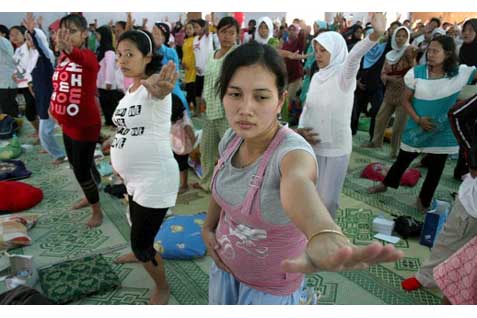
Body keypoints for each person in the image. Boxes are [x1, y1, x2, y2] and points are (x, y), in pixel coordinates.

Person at [202, 40, 403, 305]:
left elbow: (298, 184)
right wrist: (208, 228)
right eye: (235, 94)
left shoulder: (292, 153)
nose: (245, 109)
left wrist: (322, 231)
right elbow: (224, 182)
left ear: (280, 100)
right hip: (225, 270)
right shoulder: (231, 138)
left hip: (269, 289)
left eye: (261, 97)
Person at [368, 35, 477, 212]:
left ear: (448, 54)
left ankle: (424, 200)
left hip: (442, 131)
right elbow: (405, 100)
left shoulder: (460, 73)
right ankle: (387, 183)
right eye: (429, 50)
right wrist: (418, 119)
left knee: (436, 168)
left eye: (436, 51)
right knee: (403, 159)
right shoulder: (416, 73)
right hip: (417, 127)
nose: (430, 54)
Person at [110, 29, 180, 305]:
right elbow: (128, 125)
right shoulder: (130, 91)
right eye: (119, 54)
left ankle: (161, 286)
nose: (123, 60)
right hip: (133, 178)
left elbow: (159, 89)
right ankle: (140, 250)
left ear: (147, 57)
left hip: (155, 179)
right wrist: (112, 142)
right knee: (135, 222)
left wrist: (159, 86)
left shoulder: (154, 87)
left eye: (130, 54)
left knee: (141, 242)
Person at [298, 13, 388, 219]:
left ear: (336, 51)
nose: (318, 55)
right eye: (316, 50)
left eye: (324, 51)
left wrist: (376, 34)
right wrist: (301, 130)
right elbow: (308, 107)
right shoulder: (318, 76)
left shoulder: (343, 76)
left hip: (336, 147)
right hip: (312, 144)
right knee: (310, 195)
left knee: (328, 200)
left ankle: (326, 234)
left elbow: (355, 56)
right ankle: (309, 232)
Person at [401, 81, 477, 293]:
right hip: (473, 202)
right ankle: (426, 276)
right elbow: (458, 114)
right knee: (451, 237)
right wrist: (473, 156)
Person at [50, 14, 103, 227]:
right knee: (79, 165)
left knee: (81, 171)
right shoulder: (62, 58)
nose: (67, 36)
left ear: (84, 34)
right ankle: (92, 190)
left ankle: (97, 211)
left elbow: (79, 58)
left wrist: (69, 49)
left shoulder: (88, 57)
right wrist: (53, 106)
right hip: (67, 124)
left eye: (72, 31)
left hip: (84, 125)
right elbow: (60, 84)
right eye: (64, 31)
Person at [195, 17, 239, 192]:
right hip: (211, 110)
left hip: (227, 112)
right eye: (223, 32)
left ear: (237, 34)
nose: (227, 36)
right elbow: (208, 81)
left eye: (231, 32)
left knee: (231, 152)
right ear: (218, 33)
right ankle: (206, 183)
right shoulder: (213, 54)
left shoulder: (237, 55)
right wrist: (204, 101)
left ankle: (232, 187)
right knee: (206, 149)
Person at [362, 26, 417, 158]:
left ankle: (395, 151)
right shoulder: (389, 55)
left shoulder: (409, 50)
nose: (401, 38)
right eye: (398, 35)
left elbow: (414, 69)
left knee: (399, 125)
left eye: (404, 36)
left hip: (405, 93)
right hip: (390, 91)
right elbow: (383, 73)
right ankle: (376, 142)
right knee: (380, 118)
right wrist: (388, 77)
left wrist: (407, 80)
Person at [22, 13, 66, 164]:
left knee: (45, 132)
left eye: (30, 39)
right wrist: (31, 85)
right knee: (49, 130)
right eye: (26, 39)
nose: (28, 42)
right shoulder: (34, 57)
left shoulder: (45, 57)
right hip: (42, 97)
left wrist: (34, 33)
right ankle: (57, 153)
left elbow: (40, 47)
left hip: (49, 99)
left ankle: (59, 154)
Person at [152, 22, 190, 116]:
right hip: (153, 91)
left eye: (157, 33)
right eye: (152, 33)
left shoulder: (170, 52)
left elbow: (174, 74)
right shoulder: (148, 52)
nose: (154, 36)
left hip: (172, 89)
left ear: (164, 37)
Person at [10, 25, 39, 135]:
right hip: (22, 85)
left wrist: (30, 31)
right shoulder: (17, 50)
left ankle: (41, 133)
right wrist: (15, 74)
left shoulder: (27, 45)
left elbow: (32, 41)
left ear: (24, 35)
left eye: (17, 34)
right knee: (33, 111)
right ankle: (39, 131)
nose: (14, 37)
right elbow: (20, 66)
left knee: (31, 112)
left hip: (31, 83)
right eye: (11, 35)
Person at [170, 93, 196, 194]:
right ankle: (176, 181)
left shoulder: (184, 121)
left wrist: (194, 146)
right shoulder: (170, 118)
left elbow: (190, 133)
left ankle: (184, 184)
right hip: (172, 142)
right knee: (175, 164)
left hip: (183, 145)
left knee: (182, 165)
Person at [96, 25, 120, 126]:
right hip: (101, 84)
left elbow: (110, 67)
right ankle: (108, 121)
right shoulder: (101, 49)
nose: (97, 37)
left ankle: (113, 123)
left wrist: (108, 82)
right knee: (104, 104)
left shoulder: (109, 51)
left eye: (98, 35)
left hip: (108, 85)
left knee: (111, 105)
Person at [0, 24, 18, 117]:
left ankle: (11, 127)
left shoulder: (3, 41)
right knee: (8, 107)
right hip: (5, 82)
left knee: (8, 108)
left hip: (6, 83)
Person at [182, 21, 197, 113]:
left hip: (194, 68)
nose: (188, 30)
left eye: (190, 28)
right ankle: (190, 108)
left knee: (192, 89)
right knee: (188, 88)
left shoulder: (196, 39)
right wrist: (183, 63)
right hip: (187, 68)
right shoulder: (186, 40)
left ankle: (194, 109)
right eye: (186, 29)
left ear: (194, 29)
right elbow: (185, 53)